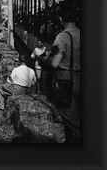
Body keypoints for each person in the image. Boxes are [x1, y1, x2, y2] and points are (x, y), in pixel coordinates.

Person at [46, 8, 80, 143]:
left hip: (67, 79)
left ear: (61, 20)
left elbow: (54, 63)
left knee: (68, 114)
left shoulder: (63, 37)